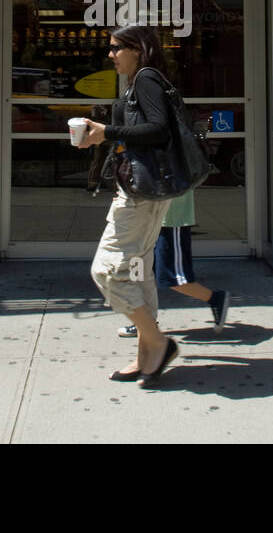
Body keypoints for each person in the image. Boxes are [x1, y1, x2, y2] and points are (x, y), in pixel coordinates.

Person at [78, 24, 180, 386]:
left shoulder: (147, 80)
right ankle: (146, 357)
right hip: (143, 193)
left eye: (116, 48)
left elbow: (158, 130)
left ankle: (157, 342)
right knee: (138, 270)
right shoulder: (141, 82)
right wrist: (100, 130)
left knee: (107, 271)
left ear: (137, 49)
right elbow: (138, 133)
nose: (110, 54)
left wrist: (108, 132)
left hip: (140, 198)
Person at [117, 190, 230, 338]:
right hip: (144, 217)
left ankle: (216, 299)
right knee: (138, 274)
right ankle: (144, 323)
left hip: (170, 219)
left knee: (173, 277)